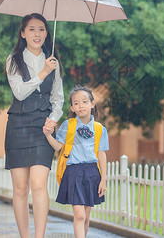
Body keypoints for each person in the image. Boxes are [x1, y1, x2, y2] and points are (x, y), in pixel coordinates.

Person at [5, 13, 64, 238]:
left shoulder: (53, 61)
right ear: (23, 33)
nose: (37, 34)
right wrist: (43, 73)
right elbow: (19, 93)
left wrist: (54, 118)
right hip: (18, 125)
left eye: (41, 29)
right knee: (20, 188)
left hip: (43, 128)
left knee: (39, 183)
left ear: (47, 33)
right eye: (31, 29)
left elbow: (57, 97)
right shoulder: (13, 60)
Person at [43, 85, 109, 238]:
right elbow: (58, 147)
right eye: (76, 103)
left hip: (92, 172)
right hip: (73, 172)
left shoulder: (100, 129)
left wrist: (103, 179)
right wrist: (48, 135)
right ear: (72, 107)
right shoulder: (68, 125)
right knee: (79, 215)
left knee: (85, 215)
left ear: (92, 104)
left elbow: (101, 155)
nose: (81, 106)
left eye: (84, 102)